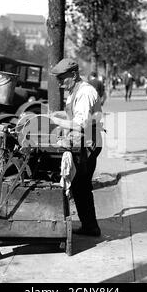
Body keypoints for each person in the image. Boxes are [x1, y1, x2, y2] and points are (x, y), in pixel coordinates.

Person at [50, 58, 102, 237]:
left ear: (73, 75)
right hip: (82, 141)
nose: (59, 82)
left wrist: (55, 121)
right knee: (81, 186)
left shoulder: (85, 91)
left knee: (81, 185)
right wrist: (61, 114)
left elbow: (80, 124)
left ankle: (91, 227)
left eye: (62, 78)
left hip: (88, 143)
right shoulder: (74, 90)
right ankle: (89, 225)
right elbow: (77, 112)